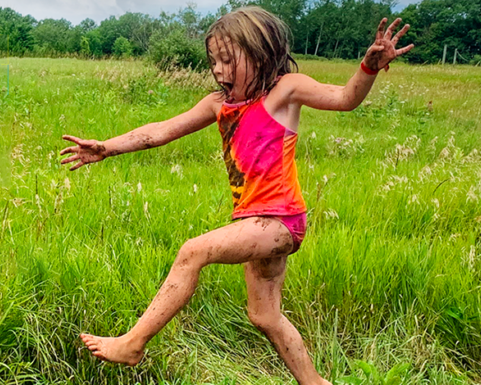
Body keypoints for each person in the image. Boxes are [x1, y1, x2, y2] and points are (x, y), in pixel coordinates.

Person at [59, 7, 414, 384]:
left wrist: (368, 68)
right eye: (214, 61)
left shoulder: (285, 90)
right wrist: (107, 148)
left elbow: (344, 98)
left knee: (193, 251)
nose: (220, 71)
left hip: (280, 221)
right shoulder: (219, 104)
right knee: (265, 316)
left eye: (229, 60)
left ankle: (133, 344)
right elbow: (161, 130)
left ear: (262, 55)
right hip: (253, 223)